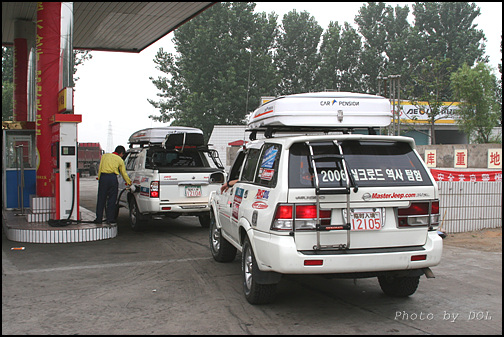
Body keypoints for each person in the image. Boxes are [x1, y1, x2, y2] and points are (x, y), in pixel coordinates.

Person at [94, 145, 132, 224]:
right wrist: (129, 182)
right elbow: (123, 173)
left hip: (103, 178)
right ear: (121, 153)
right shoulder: (120, 160)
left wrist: (99, 178)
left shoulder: (105, 156)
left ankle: (98, 219)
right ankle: (110, 219)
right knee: (112, 200)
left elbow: (100, 168)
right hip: (112, 178)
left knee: (101, 199)